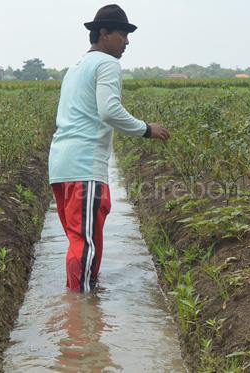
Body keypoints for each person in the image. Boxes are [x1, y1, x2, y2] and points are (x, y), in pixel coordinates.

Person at [48, 4, 169, 293]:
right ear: (104, 34)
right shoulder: (107, 64)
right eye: (123, 34)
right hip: (84, 166)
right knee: (86, 245)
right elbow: (110, 110)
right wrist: (146, 129)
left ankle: (80, 306)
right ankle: (81, 317)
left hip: (60, 166)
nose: (127, 42)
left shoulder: (75, 67)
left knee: (79, 241)